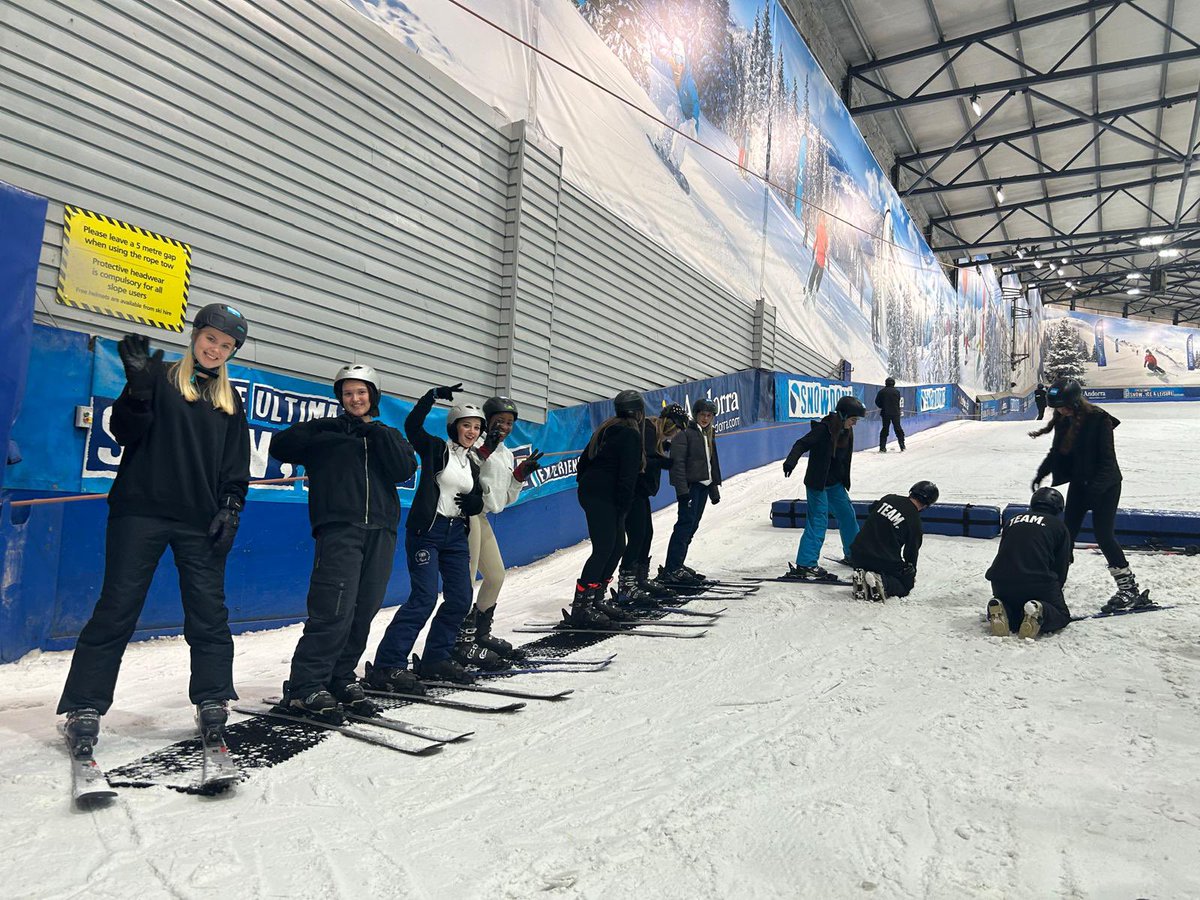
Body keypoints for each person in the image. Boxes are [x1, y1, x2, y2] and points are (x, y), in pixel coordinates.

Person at [57, 304, 251, 751]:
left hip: (200, 521)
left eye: (226, 346)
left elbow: (234, 462)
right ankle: (84, 705)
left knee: (209, 614)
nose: (215, 349)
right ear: (195, 335)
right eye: (210, 339)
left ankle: (213, 700)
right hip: (139, 512)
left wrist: (230, 507)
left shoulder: (228, 400)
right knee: (117, 608)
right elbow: (125, 433)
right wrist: (137, 390)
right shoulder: (160, 376)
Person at [268, 364, 419, 724]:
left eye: (361, 392)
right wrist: (321, 426)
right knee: (332, 609)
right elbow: (281, 446)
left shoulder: (387, 434)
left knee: (364, 609)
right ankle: (306, 686)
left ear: (373, 396)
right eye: (348, 393)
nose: (355, 399)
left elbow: (404, 469)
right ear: (340, 398)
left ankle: (339, 677)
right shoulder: (326, 435)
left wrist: (375, 432)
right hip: (340, 529)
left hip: (381, 531)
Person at [366, 384, 485, 686]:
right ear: (454, 427)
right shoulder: (436, 448)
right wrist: (429, 398)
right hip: (428, 532)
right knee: (424, 598)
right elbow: (412, 426)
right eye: (466, 425)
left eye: (476, 427)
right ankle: (387, 665)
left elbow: (476, 496)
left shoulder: (471, 462)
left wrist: (476, 502)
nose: (471, 431)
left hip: (456, 534)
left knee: (460, 598)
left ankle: (436, 659)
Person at [1030, 377, 1149, 612]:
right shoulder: (1064, 420)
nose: (1060, 411)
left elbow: (1107, 461)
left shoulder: (1099, 419)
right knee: (1066, 536)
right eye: (1057, 408)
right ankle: (1052, 586)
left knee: (1104, 535)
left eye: (1063, 406)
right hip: (1080, 483)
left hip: (1106, 485)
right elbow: (1056, 452)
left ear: (1075, 402)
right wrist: (1041, 473)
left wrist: (1095, 491)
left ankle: (1129, 589)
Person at [453, 396, 545, 665]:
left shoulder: (505, 453)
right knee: (466, 580)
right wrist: (486, 449)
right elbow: (464, 471)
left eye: (509, 423)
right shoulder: (475, 443)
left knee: (495, 576)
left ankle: (480, 633)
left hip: (483, 517)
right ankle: (460, 641)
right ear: (488, 420)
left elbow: (504, 499)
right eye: (499, 421)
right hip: (465, 516)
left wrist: (518, 477)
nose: (504, 426)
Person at [569, 390, 646, 627]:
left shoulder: (605, 429)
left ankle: (596, 597)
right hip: (605, 495)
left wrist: (587, 483)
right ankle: (582, 607)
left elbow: (583, 463)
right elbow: (628, 474)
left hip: (595, 492)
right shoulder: (631, 435)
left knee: (617, 545)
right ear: (639, 413)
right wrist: (623, 505)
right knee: (604, 547)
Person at [781, 394, 865, 581]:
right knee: (818, 520)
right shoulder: (823, 429)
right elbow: (801, 443)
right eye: (853, 419)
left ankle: (854, 554)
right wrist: (790, 462)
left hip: (835, 483)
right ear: (842, 416)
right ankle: (806, 564)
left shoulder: (846, 431)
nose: (855, 423)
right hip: (817, 484)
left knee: (847, 515)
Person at [617, 402, 689, 606]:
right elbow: (642, 459)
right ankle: (627, 584)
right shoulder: (648, 429)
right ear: (668, 423)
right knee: (637, 536)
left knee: (646, 534)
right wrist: (662, 461)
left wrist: (662, 451)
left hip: (641, 492)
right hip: (633, 492)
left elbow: (649, 453)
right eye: (674, 429)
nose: (674, 434)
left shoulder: (654, 434)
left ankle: (639, 579)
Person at [985, 487, 1073, 638]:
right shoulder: (1059, 527)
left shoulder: (1012, 520)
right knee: (1062, 615)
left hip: (1001, 582)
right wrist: (1056, 590)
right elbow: (1061, 564)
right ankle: (1039, 610)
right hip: (1037, 582)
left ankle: (1002, 606)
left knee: (1015, 614)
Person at [661, 398, 723, 585]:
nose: (705, 418)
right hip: (690, 487)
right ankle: (672, 568)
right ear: (695, 414)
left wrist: (714, 490)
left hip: (703, 486)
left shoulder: (708, 433)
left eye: (709, 415)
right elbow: (677, 464)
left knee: (692, 526)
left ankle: (678, 564)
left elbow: (711, 462)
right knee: (684, 526)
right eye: (702, 414)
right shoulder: (685, 434)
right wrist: (682, 491)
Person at [849, 481, 937, 602]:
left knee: (876, 559)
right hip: (881, 560)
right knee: (906, 585)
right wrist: (910, 574)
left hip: (856, 553)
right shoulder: (915, 523)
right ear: (927, 505)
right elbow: (911, 553)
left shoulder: (889, 498)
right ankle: (881, 581)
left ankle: (862, 575)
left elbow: (872, 509)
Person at [874, 377, 905, 452]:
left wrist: (882, 406)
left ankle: (882, 447)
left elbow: (877, 402)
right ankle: (902, 445)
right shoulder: (897, 392)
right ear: (893, 383)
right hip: (895, 413)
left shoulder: (881, 392)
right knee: (898, 429)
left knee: (885, 429)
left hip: (885, 413)